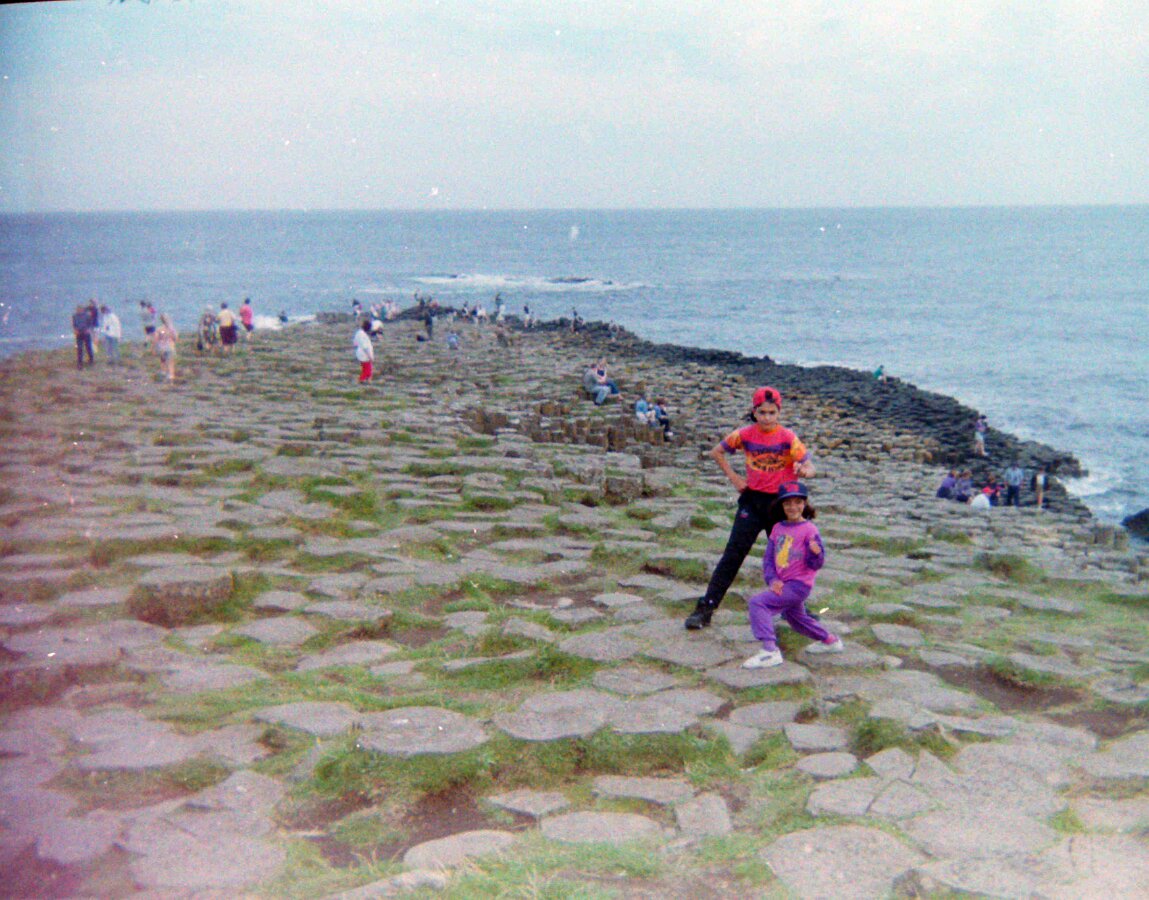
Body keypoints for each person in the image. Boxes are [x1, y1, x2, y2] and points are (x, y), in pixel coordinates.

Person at [686, 385, 815, 629]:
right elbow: (717, 452)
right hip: (752, 503)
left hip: (781, 507)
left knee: (786, 559)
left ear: (779, 413)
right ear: (754, 412)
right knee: (733, 555)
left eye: (772, 413)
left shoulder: (788, 437)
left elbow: (810, 466)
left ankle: (796, 610)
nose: (767, 418)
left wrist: (805, 471)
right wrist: (735, 478)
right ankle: (705, 609)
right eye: (762, 412)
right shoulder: (744, 434)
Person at [742, 482, 842, 668]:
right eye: (787, 503)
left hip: (799, 585)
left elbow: (816, 564)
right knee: (797, 619)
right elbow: (768, 559)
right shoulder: (777, 529)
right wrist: (772, 579)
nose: (793, 507)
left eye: (798, 502)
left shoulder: (809, 530)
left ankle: (770, 651)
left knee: (758, 603)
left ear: (804, 504)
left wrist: (815, 553)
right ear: (781, 505)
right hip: (783, 583)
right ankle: (830, 641)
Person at [153, 313, 178, 382]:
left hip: (161, 348)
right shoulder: (171, 329)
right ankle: (170, 375)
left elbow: (156, 339)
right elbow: (175, 338)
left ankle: (164, 372)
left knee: (163, 360)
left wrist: (154, 348)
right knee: (170, 362)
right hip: (170, 347)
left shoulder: (159, 329)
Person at [72, 304, 95, 369]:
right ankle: (80, 363)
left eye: (79, 309)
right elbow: (74, 324)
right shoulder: (74, 316)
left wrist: (88, 329)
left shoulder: (87, 316)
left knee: (88, 347)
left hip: (86, 333)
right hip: (79, 334)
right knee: (79, 348)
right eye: (77, 310)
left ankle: (91, 360)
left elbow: (90, 323)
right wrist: (75, 330)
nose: (78, 311)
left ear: (82, 310)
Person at [353, 318, 374, 383]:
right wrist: (370, 356)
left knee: (368, 369)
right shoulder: (363, 335)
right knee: (367, 371)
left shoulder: (358, 333)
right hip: (364, 355)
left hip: (360, 353)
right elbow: (365, 347)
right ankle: (359, 380)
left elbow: (355, 343)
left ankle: (368, 381)